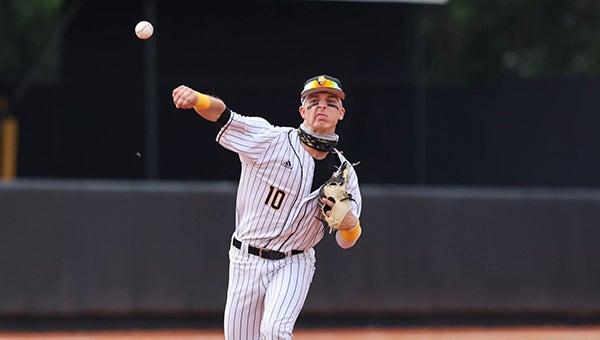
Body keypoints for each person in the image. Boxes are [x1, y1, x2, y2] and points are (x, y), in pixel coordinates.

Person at [172, 75, 363, 340]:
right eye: (314, 101)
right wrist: (197, 99)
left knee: (275, 332)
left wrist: (351, 225)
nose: (322, 106)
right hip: (246, 259)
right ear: (302, 111)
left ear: (341, 113)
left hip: (295, 261)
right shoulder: (270, 140)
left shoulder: (344, 173)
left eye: (331, 102)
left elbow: (346, 241)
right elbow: (224, 116)